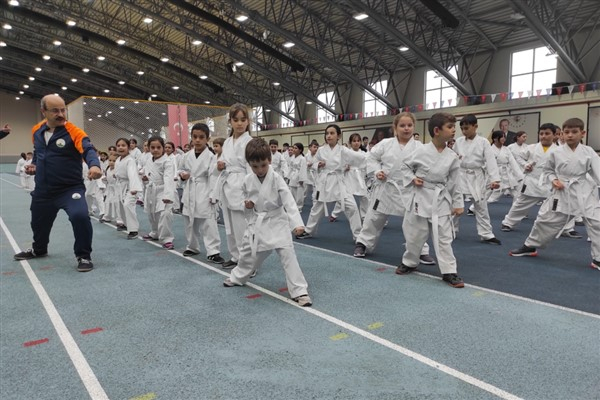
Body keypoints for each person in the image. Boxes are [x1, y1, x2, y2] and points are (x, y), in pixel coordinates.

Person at [13, 94, 102, 272]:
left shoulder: (74, 132)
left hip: (70, 189)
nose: (61, 114)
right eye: (55, 110)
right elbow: (38, 154)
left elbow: (88, 149)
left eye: (63, 110)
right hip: (43, 191)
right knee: (38, 223)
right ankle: (39, 249)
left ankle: (83, 256)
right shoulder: (36, 131)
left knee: (80, 216)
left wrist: (94, 165)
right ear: (43, 111)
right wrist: (34, 166)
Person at [223, 138, 312, 307]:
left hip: (278, 221)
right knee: (249, 255)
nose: (260, 170)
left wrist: (297, 224)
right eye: (255, 166)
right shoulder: (248, 180)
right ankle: (238, 277)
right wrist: (247, 204)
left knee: (288, 255)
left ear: (269, 161)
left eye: (263, 165)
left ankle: (300, 291)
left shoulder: (276, 178)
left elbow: (288, 201)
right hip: (259, 222)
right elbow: (244, 198)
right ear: (249, 164)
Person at [510, 117, 600, 270]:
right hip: (562, 190)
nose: (570, 135)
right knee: (545, 220)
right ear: (561, 134)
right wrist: (553, 180)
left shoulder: (588, 152)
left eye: (574, 132)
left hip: (584, 192)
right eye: (567, 132)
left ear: (582, 133)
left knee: (597, 223)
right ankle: (530, 245)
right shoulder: (556, 152)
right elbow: (548, 170)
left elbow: (597, 172)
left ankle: (598, 258)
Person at [353, 112, 434, 264]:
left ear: (413, 127)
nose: (406, 128)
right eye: (402, 125)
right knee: (374, 217)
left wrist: (418, 177)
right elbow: (371, 157)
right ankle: (362, 243)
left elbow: (425, 165)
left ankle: (420, 249)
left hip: (408, 188)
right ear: (395, 127)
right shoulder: (385, 143)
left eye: (409, 125)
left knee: (415, 221)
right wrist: (377, 171)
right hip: (386, 186)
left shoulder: (419, 147)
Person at [396, 112, 465, 287]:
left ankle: (449, 271)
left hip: (440, 198)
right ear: (437, 130)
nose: (453, 131)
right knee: (415, 235)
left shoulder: (452, 156)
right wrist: (412, 178)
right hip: (420, 196)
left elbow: (456, 182)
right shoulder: (419, 151)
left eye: (453, 128)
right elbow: (404, 166)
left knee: (444, 236)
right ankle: (409, 262)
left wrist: (458, 203)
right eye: (449, 127)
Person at [296, 124, 365, 241]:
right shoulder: (321, 150)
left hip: (339, 182)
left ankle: (358, 236)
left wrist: (375, 159)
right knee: (317, 207)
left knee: (352, 207)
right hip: (324, 182)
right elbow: (313, 164)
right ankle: (308, 231)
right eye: (327, 133)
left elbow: (359, 158)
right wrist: (318, 164)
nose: (329, 136)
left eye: (332, 133)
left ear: (338, 136)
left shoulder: (344, 150)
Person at [453, 114, 502, 245]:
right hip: (460, 174)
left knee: (481, 205)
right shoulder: (458, 142)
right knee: (455, 203)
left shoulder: (483, 142)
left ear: (475, 126)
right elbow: (452, 158)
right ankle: (451, 230)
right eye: (462, 129)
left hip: (476, 176)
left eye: (467, 128)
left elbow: (490, 161)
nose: (464, 131)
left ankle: (486, 234)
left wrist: (495, 179)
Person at [179, 124, 224, 263]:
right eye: (195, 137)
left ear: (207, 139)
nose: (197, 140)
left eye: (201, 137)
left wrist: (213, 195)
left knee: (208, 222)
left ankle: (213, 251)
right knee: (189, 221)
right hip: (190, 189)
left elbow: (214, 177)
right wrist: (182, 175)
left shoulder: (211, 157)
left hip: (205, 189)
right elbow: (180, 170)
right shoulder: (186, 155)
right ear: (191, 138)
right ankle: (192, 246)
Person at [215, 103, 253, 269]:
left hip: (242, 186)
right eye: (235, 120)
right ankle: (235, 256)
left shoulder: (250, 142)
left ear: (248, 122)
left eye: (243, 120)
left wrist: (251, 195)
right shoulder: (228, 142)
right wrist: (220, 164)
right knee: (230, 226)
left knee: (242, 228)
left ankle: (249, 263)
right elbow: (221, 160)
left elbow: (252, 169)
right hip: (228, 184)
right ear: (230, 121)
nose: (239, 123)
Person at [500, 123, 558, 231]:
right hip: (532, 181)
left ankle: (566, 228)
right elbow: (518, 157)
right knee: (521, 203)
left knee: (558, 205)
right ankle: (508, 223)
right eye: (541, 134)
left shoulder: (559, 150)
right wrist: (525, 165)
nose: (544, 136)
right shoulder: (531, 148)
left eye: (547, 133)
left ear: (554, 135)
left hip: (550, 182)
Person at [141, 136, 176, 249]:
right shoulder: (149, 160)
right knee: (152, 213)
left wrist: (167, 195)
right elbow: (148, 174)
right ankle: (155, 232)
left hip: (163, 189)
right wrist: (146, 179)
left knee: (164, 214)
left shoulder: (167, 162)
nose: (155, 150)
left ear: (163, 148)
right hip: (151, 189)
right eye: (152, 147)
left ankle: (167, 238)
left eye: (158, 147)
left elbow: (168, 178)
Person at [114, 137, 143, 239]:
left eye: (123, 145)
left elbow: (132, 174)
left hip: (130, 186)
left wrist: (134, 188)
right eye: (118, 146)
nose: (121, 148)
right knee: (121, 205)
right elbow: (118, 171)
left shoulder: (130, 160)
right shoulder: (118, 159)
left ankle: (134, 230)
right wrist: (115, 175)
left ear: (128, 148)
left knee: (128, 205)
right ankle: (126, 224)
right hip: (120, 185)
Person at [486, 131, 523, 203]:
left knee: (516, 194)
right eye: (501, 137)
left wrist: (519, 175)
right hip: (496, 175)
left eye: (504, 137)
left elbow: (513, 163)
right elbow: (486, 164)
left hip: (507, 175)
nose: (503, 138)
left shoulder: (506, 149)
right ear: (495, 139)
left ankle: (516, 212)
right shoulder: (489, 150)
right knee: (492, 196)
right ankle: (473, 208)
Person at [287, 143, 308, 212]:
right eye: (293, 148)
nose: (293, 149)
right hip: (292, 175)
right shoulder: (292, 157)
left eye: (296, 148)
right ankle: (293, 206)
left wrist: (301, 179)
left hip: (299, 176)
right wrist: (288, 176)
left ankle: (299, 207)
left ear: (300, 150)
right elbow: (290, 167)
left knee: (299, 193)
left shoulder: (302, 159)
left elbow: (303, 169)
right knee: (292, 192)